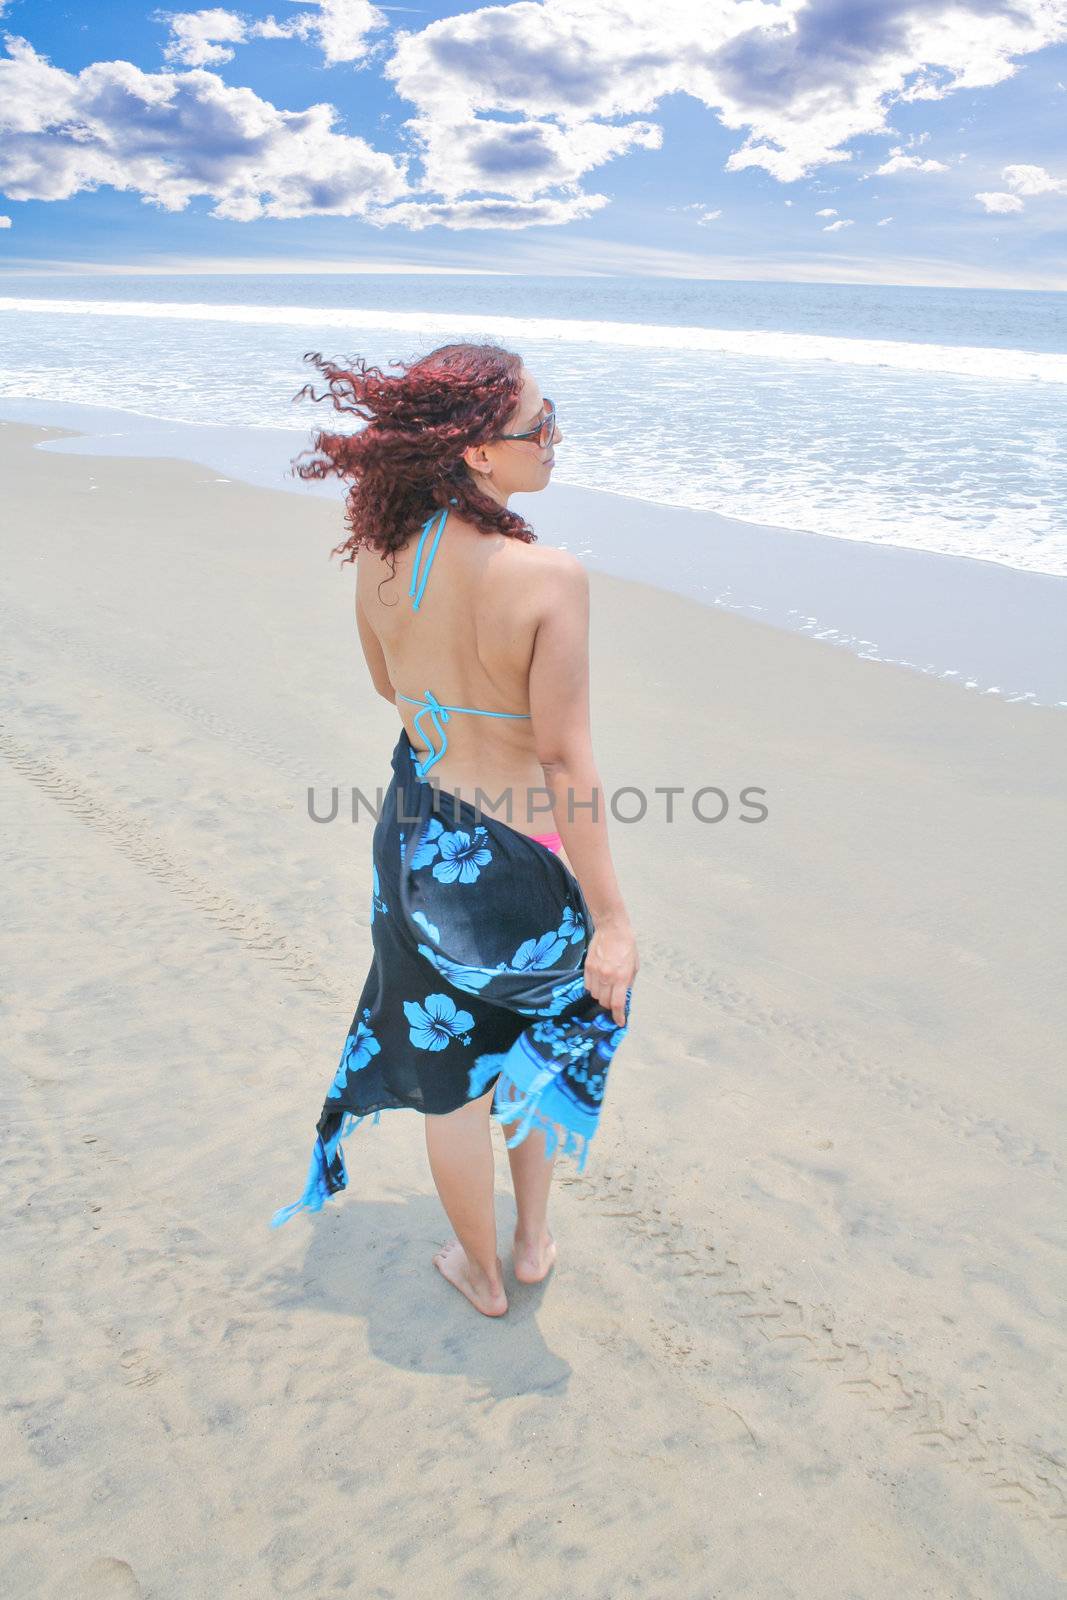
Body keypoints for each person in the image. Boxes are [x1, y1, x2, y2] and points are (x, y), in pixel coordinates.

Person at [269, 341, 639, 1317]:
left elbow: (387, 686)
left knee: (453, 1084)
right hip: (527, 866)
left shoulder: (385, 549)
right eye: (539, 424)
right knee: (530, 1048)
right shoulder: (546, 576)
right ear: (477, 451)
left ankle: (477, 1271)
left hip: (422, 845)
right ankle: (526, 1243)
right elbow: (563, 763)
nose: (555, 437)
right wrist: (610, 920)